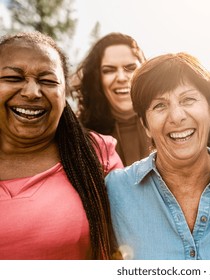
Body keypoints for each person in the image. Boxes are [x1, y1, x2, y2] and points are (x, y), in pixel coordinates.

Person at [105, 52, 210, 260]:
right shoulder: (116, 190)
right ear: (145, 125)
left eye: (188, 99)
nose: (177, 116)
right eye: (160, 105)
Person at [0, 32, 123, 260]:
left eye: (48, 81)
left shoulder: (98, 154)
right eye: (13, 78)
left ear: (64, 93)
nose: (32, 92)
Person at [73, 32, 151, 166]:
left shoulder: (168, 125)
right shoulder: (80, 136)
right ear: (97, 79)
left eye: (130, 68)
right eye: (109, 70)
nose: (121, 78)